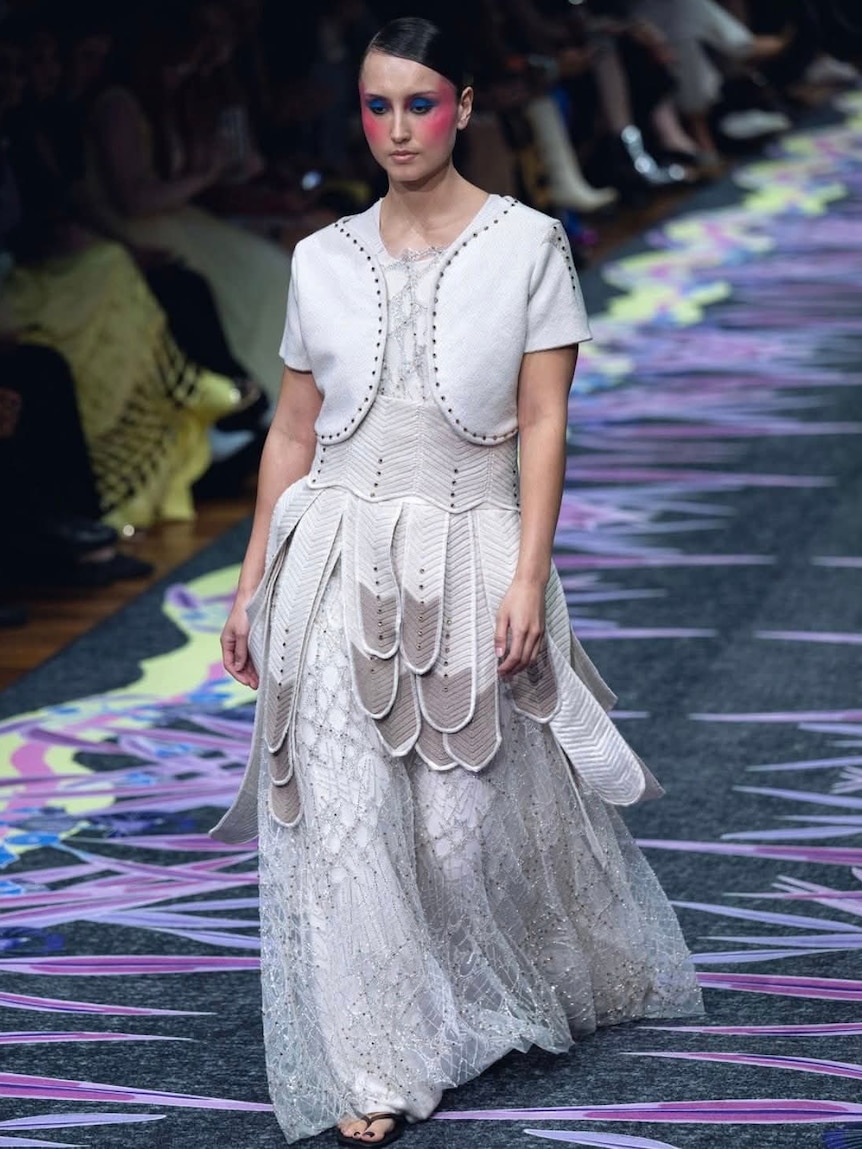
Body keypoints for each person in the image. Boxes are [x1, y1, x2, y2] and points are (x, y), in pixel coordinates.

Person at [213, 16, 703, 1146]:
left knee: (453, 838)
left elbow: (543, 420)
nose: (396, 128)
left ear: (466, 108)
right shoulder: (318, 258)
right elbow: (292, 435)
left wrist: (529, 574)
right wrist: (249, 588)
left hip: (470, 546)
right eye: (378, 105)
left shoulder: (528, 244)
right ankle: (376, 1061)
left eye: (419, 104)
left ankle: (474, 993)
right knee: (339, 812)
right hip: (328, 551)